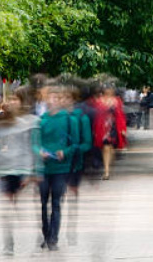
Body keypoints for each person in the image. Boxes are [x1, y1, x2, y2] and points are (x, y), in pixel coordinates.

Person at [0, 87, 40, 257]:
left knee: (24, 209)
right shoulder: (2, 122)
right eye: (10, 99)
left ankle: (34, 241)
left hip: (22, 170)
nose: (12, 102)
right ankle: (9, 244)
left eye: (16, 99)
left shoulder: (29, 123)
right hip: (6, 169)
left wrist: (29, 172)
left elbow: (30, 148)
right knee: (6, 210)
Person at [37, 86, 79, 251]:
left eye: (56, 98)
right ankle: (46, 234)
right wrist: (39, 151)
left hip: (61, 168)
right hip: (44, 167)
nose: (52, 101)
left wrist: (65, 152)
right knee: (43, 203)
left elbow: (74, 144)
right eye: (49, 98)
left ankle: (53, 238)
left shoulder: (69, 120)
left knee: (56, 202)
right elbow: (35, 143)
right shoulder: (41, 120)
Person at [63, 86, 92, 246]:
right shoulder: (54, 117)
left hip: (74, 163)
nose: (63, 101)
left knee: (72, 198)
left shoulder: (81, 118)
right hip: (56, 164)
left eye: (67, 98)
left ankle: (71, 229)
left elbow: (87, 143)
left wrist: (74, 149)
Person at [90, 80, 127, 180]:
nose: (108, 91)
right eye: (107, 89)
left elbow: (120, 115)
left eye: (110, 89)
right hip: (102, 128)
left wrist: (122, 129)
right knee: (105, 147)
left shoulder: (116, 101)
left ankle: (107, 169)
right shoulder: (99, 101)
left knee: (110, 148)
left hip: (113, 127)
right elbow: (95, 115)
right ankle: (106, 171)